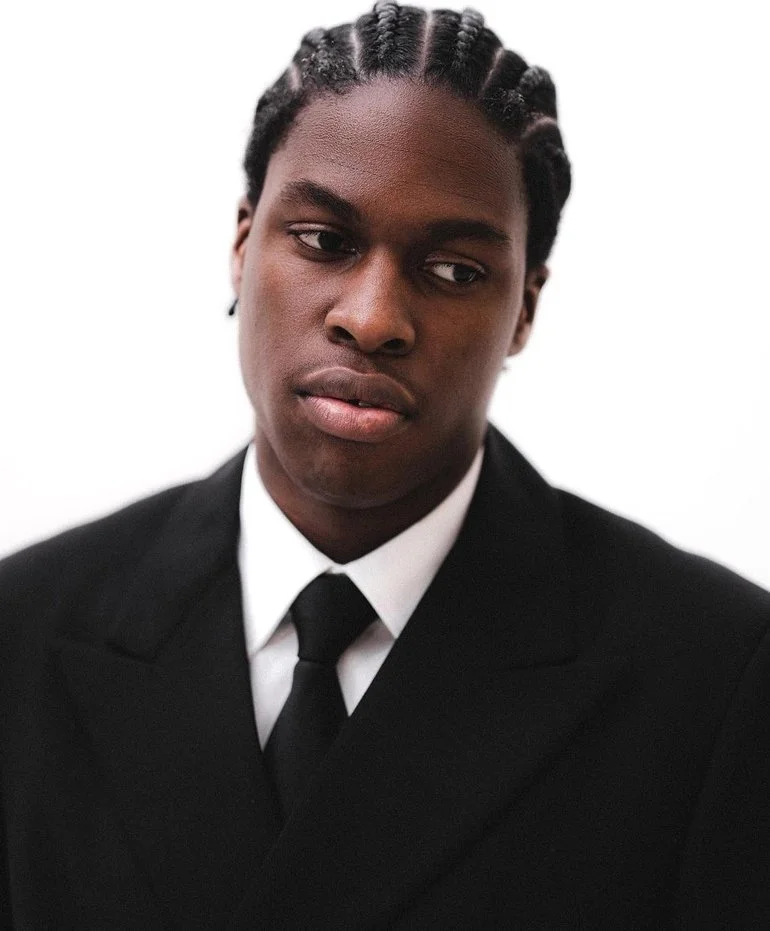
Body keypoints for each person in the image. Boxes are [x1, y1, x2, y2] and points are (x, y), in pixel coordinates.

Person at [1, 2, 768, 928]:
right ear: (242, 246)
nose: (371, 319)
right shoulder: (20, 634)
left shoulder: (718, 680)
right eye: (325, 241)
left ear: (524, 310)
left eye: (454, 270)